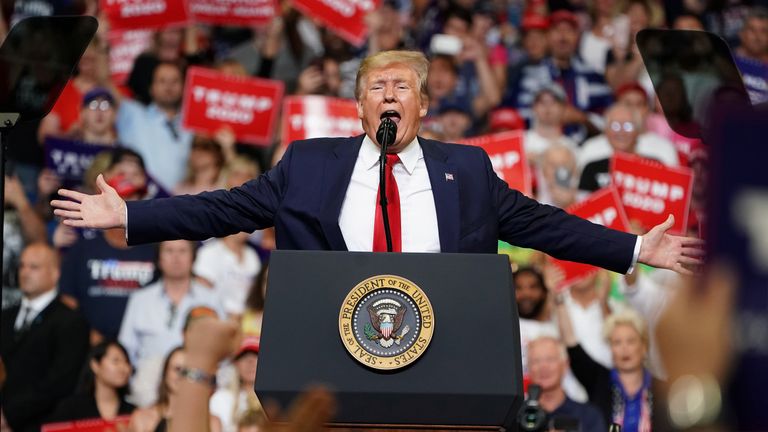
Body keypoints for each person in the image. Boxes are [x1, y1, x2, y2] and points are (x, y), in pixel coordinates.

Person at [52, 50, 703, 283]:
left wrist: (636, 246)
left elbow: (542, 224)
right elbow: (221, 209)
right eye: (375, 87)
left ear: (423, 102)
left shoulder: (468, 171)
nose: (388, 95)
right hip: (332, 346)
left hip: (446, 350)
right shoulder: (307, 165)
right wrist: (131, 213)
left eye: (401, 86)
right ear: (358, 106)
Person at [58, 148, 158, 343]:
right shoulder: (82, 246)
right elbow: (67, 298)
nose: (128, 199)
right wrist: (87, 333)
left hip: (143, 344)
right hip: (89, 345)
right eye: (122, 175)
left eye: (135, 194)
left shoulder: (157, 249)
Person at [119, 240, 224, 406]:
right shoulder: (140, 299)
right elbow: (126, 351)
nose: (176, 257)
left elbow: (222, 350)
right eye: (169, 251)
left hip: (199, 389)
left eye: (182, 251)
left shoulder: (211, 299)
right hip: (147, 394)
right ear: (159, 259)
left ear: (193, 257)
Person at [0, 243, 89, 432]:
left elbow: (60, 383)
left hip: (42, 424)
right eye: (22, 266)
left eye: (34, 267)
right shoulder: (5, 316)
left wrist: (9, 415)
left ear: (55, 273)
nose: (24, 272)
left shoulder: (71, 321)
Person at [556, 305, 667, 430]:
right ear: (610, 348)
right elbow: (572, 346)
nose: (624, 348)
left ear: (644, 347)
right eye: (617, 342)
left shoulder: (663, 390)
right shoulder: (598, 380)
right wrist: (559, 301)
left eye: (631, 341)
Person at [116, 61, 193, 191]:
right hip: (139, 201)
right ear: (151, 88)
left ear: (184, 88)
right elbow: (103, 81)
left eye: (175, 81)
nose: (169, 87)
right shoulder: (133, 115)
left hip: (182, 203)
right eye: (162, 81)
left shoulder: (193, 125)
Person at [526, 336, 606, 431]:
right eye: (536, 361)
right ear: (528, 368)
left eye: (550, 359)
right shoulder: (516, 417)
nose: (543, 367)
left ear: (565, 365)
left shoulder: (589, 416)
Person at [47, 340, 135, 422]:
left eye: (127, 362)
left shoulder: (133, 413)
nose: (124, 368)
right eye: (116, 361)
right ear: (95, 365)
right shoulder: (70, 408)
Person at [210, 337, 262, 432]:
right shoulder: (221, 398)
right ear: (235, 363)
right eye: (244, 356)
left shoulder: (275, 402)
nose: (251, 362)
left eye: (256, 355)